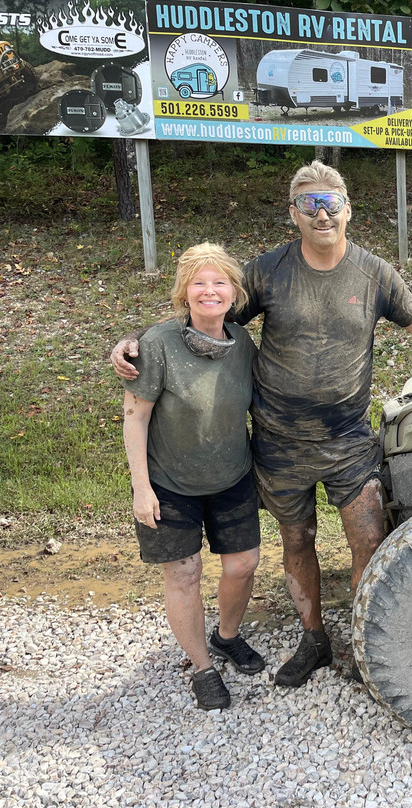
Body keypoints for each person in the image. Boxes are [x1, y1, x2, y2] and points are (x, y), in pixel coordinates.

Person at [112, 160, 412, 689]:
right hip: (280, 444)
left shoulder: (375, 273)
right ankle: (313, 638)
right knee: (298, 541)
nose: (322, 214)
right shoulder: (268, 270)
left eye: (330, 203)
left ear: (348, 210)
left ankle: (363, 639)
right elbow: (207, 313)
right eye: (309, 205)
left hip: (350, 442)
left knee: (369, 539)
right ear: (294, 214)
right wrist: (136, 341)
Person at [121, 243, 263, 711]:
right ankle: (202, 667)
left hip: (232, 477)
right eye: (199, 282)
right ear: (184, 292)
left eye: (219, 282)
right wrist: (141, 488)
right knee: (184, 574)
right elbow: (135, 417)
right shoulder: (157, 345)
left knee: (242, 565)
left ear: (233, 292)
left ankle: (226, 636)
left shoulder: (242, 343)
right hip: (169, 485)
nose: (209, 291)